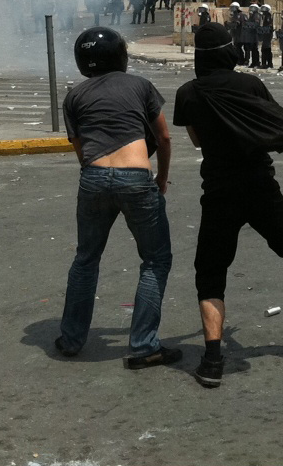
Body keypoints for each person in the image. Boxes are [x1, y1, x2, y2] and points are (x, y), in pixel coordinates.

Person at [172, 22, 283, 389]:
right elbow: (271, 124)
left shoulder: (187, 93)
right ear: (228, 51)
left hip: (219, 191)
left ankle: (211, 359)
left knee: (210, 273)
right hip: (260, 186)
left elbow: (195, 140)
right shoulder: (250, 84)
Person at [55, 27, 178, 369]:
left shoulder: (74, 96)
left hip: (93, 178)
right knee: (155, 260)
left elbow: (80, 152)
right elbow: (164, 138)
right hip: (137, 177)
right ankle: (143, 346)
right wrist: (162, 179)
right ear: (121, 56)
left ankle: (71, 339)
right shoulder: (140, 86)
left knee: (86, 259)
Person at [241, 3, 260, 68]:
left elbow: (256, 24)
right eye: (251, 8)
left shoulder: (256, 15)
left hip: (255, 35)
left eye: (253, 8)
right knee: (250, 49)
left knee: (254, 50)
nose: (252, 10)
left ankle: (256, 62)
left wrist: (247, 24)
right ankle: (253, 62)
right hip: (250, 35)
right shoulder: (251, 16)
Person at [258, 5, 274, 70]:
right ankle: (264, 63)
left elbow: (269, 26)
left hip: (267, 34)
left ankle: (268, 63)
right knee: (264, 49)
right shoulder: (264, 16)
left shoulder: (268, 16)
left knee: (266, 49)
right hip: (265, 34)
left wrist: (262, 29)